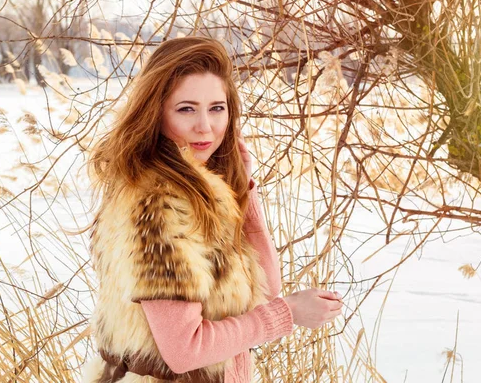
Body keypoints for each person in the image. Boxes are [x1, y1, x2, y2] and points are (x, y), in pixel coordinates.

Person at [81, 36, 344, 383]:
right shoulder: (159, 204)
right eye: (186, 109)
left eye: (216, 108)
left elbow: (266, 286)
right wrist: (289, 313)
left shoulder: (198, 190)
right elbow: (184, 350)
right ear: (156, 113)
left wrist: (243, 191)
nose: (205, 126)